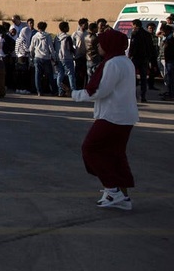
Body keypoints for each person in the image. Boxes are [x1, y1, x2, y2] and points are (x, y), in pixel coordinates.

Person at [72, 28, 138, 211]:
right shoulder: (125, 61)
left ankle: (112, 190)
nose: (98, 46)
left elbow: (102, 89)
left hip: (112, 116)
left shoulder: (112, 64)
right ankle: (123, 197)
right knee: (115, 154)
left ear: (109, 44)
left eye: (101, 43)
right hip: (125, 116)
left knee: (90, 149)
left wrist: (76, 95)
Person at [128, 19, 154, 103]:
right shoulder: (147, 34)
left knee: (133, 77)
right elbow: (151, 46)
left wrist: (130, 55)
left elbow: (132, 45)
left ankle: (133, 95)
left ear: (135, 25)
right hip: (145, 58)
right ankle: (143, 96)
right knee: (143, 78)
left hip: (136, 58)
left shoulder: (135, 33)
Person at [30, 21, 55, 96]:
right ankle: (53, 90)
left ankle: (39, 91)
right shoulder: (48, 36)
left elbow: (31, 48)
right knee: (50, 75)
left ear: (38, 27)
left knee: (37, 75)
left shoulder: (34, 36)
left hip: (37, 57)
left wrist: (32, 56)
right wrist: (53, 57)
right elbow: (51, 47)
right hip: (46, 57)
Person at [55, 21, 77, 97]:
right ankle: (73, 91)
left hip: (59, 58)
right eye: (67, 27)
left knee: (60, 74)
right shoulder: (68, 37)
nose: (69, 28)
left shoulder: (56, 37)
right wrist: (75, 52)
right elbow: (70, 48)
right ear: (64, 28)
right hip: (67, 58)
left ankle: (60, 91)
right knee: (71, 75)